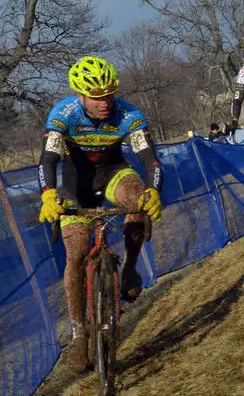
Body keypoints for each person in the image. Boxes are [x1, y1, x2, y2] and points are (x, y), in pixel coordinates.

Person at [37, 56, 163, 373]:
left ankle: (131, 268)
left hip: (113, 174)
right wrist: (47, 193)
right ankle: (80, 333)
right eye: (97, 96)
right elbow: (47, 161)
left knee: (138, 199)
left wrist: (154, 191)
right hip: (74, 184)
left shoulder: (128, 114)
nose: (105, 102)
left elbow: (151, 160)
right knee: (76, 255)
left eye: (109, 93)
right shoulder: (63, 114)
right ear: (80, 95)